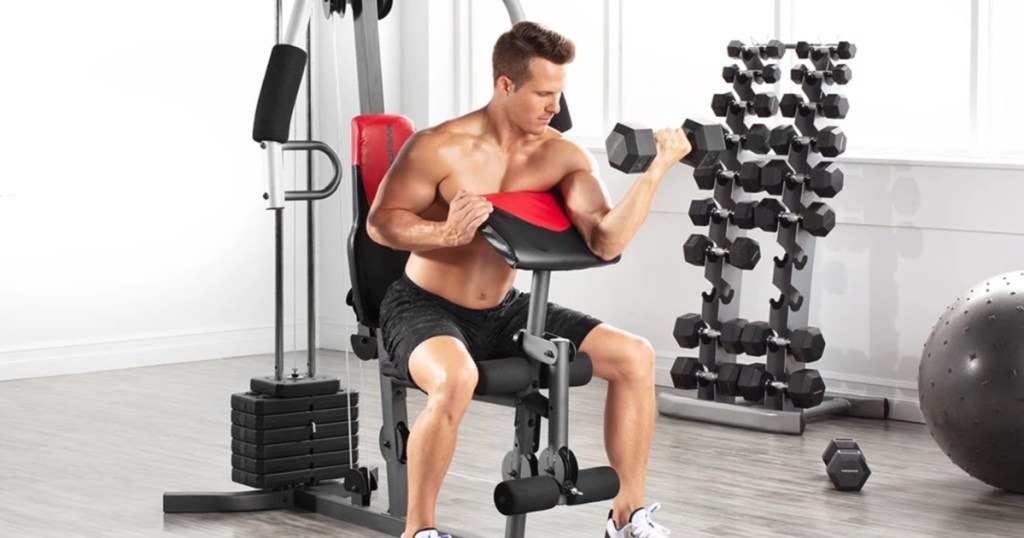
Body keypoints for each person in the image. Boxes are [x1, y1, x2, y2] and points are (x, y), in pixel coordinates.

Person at [367, 21, 690, 538]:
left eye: (559, 94)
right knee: (456, 379)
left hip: (506, 310)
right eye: (543, 93)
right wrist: (444, 232)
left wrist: (654, 175)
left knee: (636, 356)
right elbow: (381, 223)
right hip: (423, 306)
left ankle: (627, 521)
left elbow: (606, 240)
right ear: (505, 85)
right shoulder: (438, 147)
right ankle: (420, 531)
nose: (554, 108)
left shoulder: (561, 156)